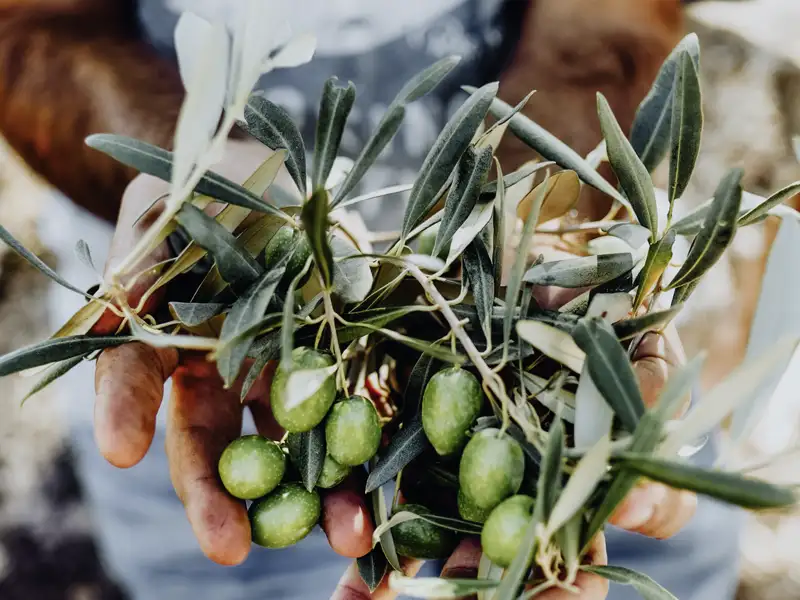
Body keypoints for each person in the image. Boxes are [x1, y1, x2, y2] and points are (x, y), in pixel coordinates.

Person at [0, 1, 742, 599]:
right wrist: (198, 180)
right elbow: (29, 29)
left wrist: (531, 213)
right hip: (205, 354)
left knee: (653, 530)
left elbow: (608, 19)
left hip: (546, 327)